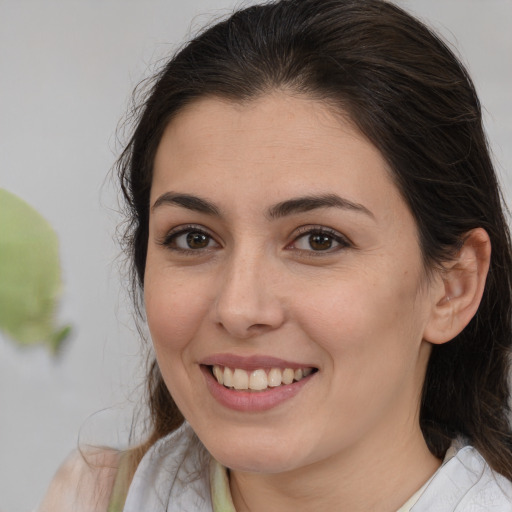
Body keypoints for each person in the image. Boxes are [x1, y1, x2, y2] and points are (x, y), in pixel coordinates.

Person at [38, 0, 512, 510]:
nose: (238, 309)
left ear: (452, 286)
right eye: (195, 238)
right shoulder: (89, 496)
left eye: (319, 240)